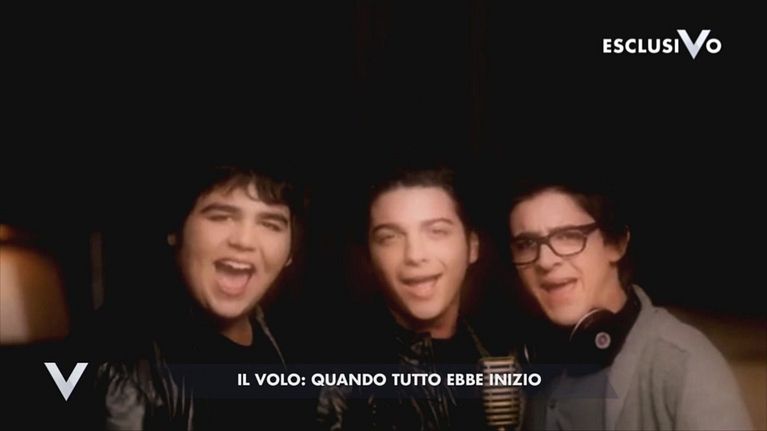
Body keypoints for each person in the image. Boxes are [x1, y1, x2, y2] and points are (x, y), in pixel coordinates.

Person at [505, 178, 752, 430]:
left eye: (568, 236)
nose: (545, 262)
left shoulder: (685, 362)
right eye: (526, 245)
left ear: (616, 243)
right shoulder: (523, 364)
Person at [93, 164, 307, 430]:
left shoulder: (291, 339)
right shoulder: (120, 361)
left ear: (289, 253)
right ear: (176, 230)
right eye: (221, 216)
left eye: (270, 224)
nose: (244, 241)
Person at [317, 164, 499, 430]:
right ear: (370, 257)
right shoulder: (339, 380)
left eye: (436, 231)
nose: (414, 255)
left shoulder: (505, 365)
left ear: (472, 247)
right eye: (390, 237)